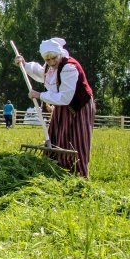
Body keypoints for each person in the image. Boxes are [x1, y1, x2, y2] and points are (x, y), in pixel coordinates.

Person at [15, 37, 95, 178]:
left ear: (60, 54)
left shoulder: (69, 68)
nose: (51, 62)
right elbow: (40, 73)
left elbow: (65, 97)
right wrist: (24, 64)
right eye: (48, 60)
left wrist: (40, 95)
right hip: (61, 105)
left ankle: (77, 174)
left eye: (53, 58)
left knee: (77, 138)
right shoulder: (50, 67)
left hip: (79, 105)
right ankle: (57, 169)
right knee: (58, 135)